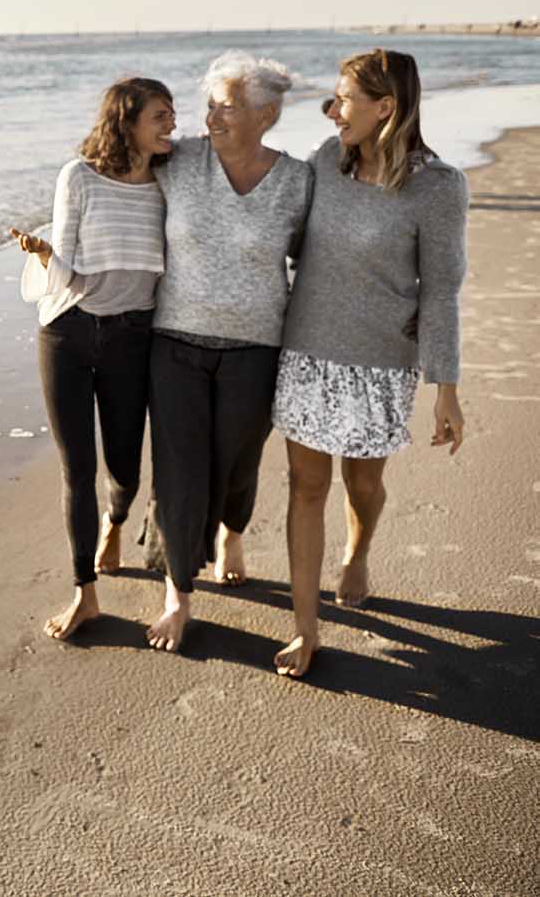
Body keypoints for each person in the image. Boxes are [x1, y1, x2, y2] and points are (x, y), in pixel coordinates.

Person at [271, 49, 468, 677]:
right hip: (305, 352)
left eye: (345, 99)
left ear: (386, 107)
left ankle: (357, 553)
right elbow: (283, 237)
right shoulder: (323, 164)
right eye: (331, 98)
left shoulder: (437, 187)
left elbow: (440, 288)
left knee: (361, 483)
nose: (333, 111)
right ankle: (306, 629)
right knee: (306, 487)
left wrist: (446, 387)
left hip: (380, 362)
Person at [145, 50, 313, 652]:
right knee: (181, 466)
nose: (212, 116)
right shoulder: (180, 160)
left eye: (228, 106)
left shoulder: (298, 180)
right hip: (174, 341)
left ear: (266, 114)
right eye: (209, 104)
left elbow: (322, 259)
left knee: (237, 460)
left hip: (257, 345)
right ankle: (177, 589)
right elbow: (111, 161)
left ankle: (232, 532)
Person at [8, 78, 172, 639]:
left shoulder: (169, 181)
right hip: (68, 333)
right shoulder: (78, 177)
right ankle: (85, 594)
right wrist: (45, 252)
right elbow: (69, 266)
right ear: (127, 120)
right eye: (160, 114)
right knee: (77, 467)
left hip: (133, 336)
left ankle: (117, 520)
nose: (171, 123)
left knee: (125, 463)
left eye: (172, 113)